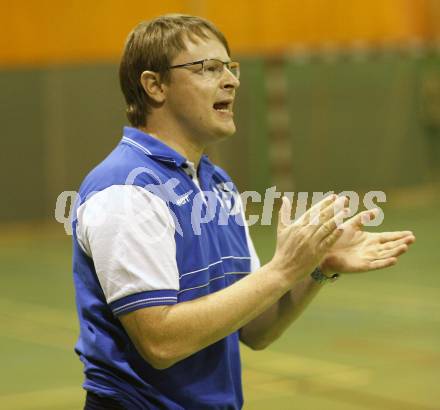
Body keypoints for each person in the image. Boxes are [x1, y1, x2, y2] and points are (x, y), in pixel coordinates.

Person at [72, 14, 415, 410]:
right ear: (155, 85)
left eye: (230, 68)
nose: (232, 80)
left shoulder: (217, 185)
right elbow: (161, 341)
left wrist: (316, 268)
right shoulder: (127, 189)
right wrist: (283, 269)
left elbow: (254, 329)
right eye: (209, 68)